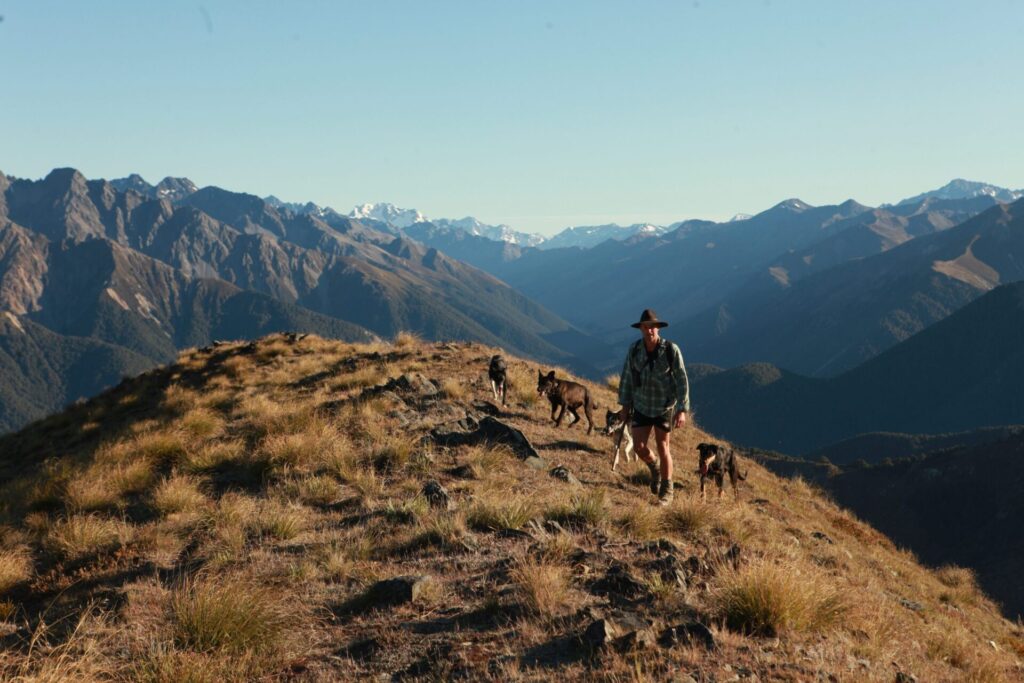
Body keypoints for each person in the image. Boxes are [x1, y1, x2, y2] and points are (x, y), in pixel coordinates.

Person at [617, 308, 690, 505]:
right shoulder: (634, 350)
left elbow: (682, 380)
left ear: (658, 328)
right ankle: (654, 467)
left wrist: (682, 409)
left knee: (663, 446)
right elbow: (627, 377)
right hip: (641, 405)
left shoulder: (670, 350)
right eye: (645, 327)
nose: (649, 331)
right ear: (640, 328)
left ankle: (667, 489)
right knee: (639, 447)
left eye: (652, 327)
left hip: (664, 407)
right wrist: (624, 405)